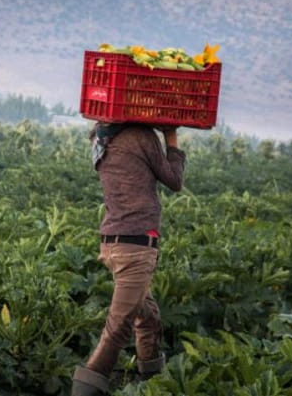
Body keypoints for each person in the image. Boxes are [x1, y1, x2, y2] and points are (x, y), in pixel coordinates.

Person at [72, 122, 186, 396]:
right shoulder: (141, 136)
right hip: (135, 245)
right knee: (118, 329)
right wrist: (170, 136)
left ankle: (152, 383)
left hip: (114, 243)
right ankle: (84, 390)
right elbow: (174, 180)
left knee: (147, 318)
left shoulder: (101, 137)